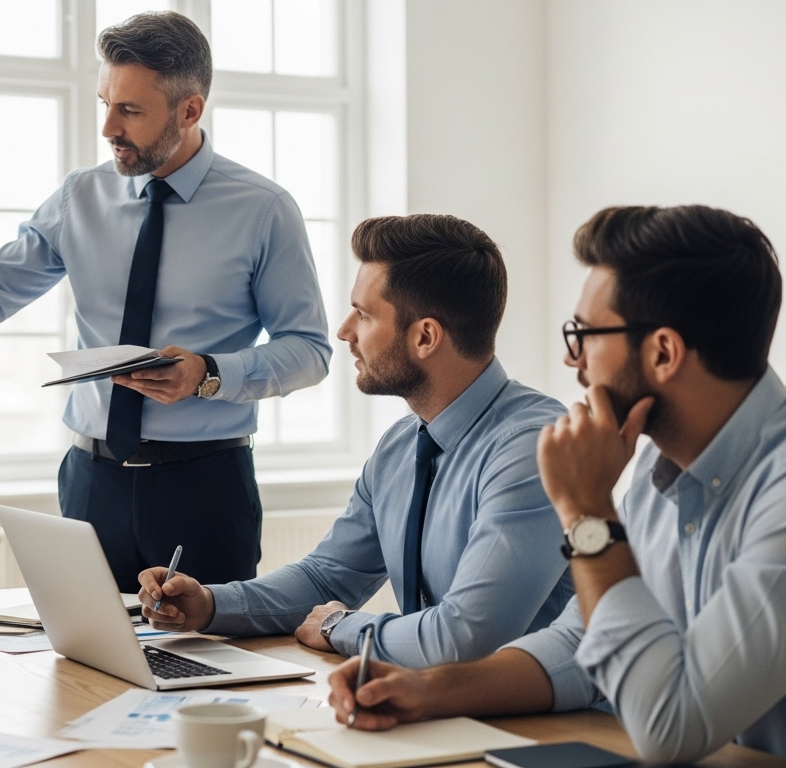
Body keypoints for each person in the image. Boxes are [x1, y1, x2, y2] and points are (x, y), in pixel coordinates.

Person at [0, 11, 332, 592]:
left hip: (205, 487)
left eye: (130, 110)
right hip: (92, 482)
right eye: (105, 104)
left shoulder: (263, 209)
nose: (108, 128)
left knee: (210, 665)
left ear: (190, 110)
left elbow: (310, 349)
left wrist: (210, 374)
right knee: (86, 668)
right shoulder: (81, 196)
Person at [326, 205, 786, 762]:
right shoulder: (655, 469)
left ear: (663, 352)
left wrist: (587, 510)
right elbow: (582, 645)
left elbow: (673, 727)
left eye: (585, 335)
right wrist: (428, 691)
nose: (572, 359)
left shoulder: (784, 489)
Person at [139, 214, 573, 667]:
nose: (345, 331)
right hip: (439, 703)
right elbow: (327, 577)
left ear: (425, 336)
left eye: (363, 314)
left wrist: (339, 626)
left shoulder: (533, 448)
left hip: (551, 724)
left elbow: (466, 638)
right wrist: (209, 604)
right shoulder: (402, 444)